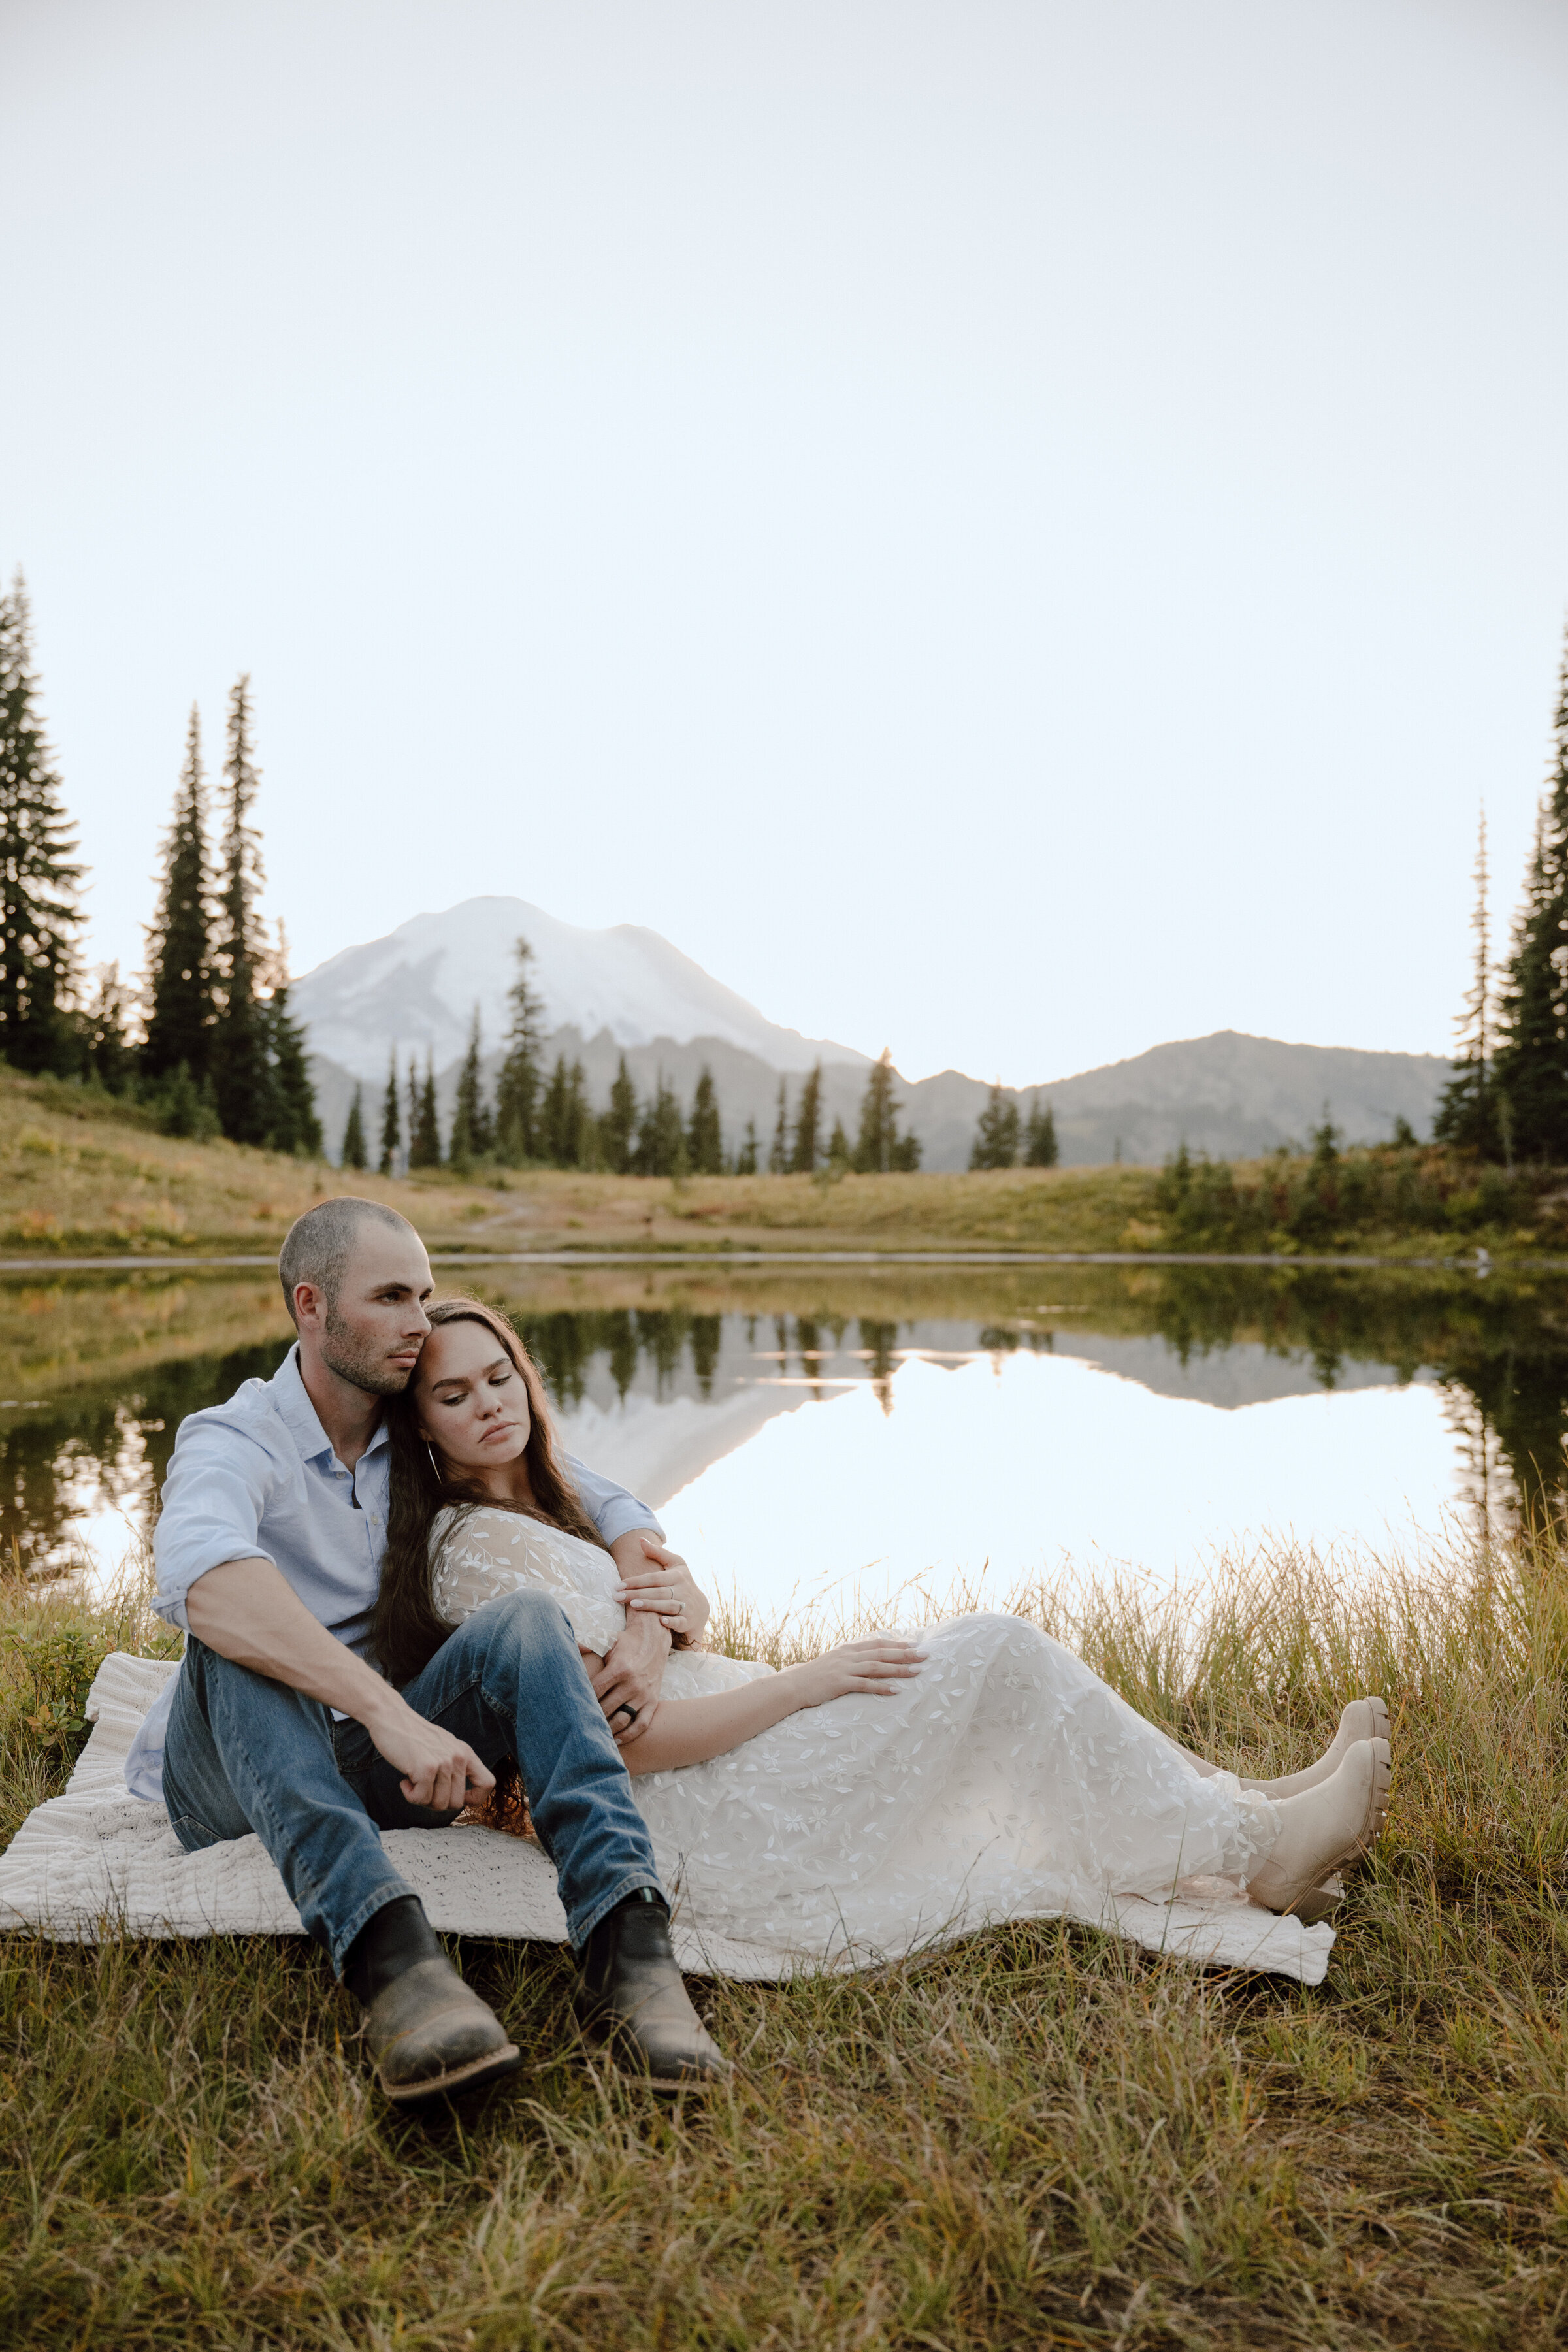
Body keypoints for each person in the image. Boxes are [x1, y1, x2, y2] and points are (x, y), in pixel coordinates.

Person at [384, 1298, 1394, 1975]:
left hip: (742, 1734)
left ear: (524, 1375)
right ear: (422, 1424)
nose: (488, 1406)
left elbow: (672, 1632)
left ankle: (1235, 1807)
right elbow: (623, 1742)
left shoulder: (565, 1510)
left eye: (498, 1377)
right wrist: (805, 1685)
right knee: (993, 1653)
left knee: (995, 1659)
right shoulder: (473, 1552)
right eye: (453, 1394)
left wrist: (680, 1607)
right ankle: (1256, 1854)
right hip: (696, 1800)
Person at [127, 1197, 730, 2107]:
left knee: (527, 1620)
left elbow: (600, 1495)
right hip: (235, 1782)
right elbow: (204, 1577)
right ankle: (399, 1968)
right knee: (238, 1632)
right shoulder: (234, 1436)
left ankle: (630, 1952)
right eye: (392, 1297)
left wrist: (648, 1612)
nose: (419, 1324)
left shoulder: (412, 1430)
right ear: (312, 1306)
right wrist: (389, 1713)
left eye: (426, 1295)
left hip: (386, 1772)